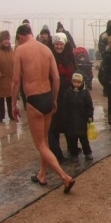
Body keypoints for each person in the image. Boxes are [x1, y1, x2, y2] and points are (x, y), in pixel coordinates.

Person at [12, 25, 76, 192]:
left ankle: (65, 177)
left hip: (34, 100)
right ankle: (42, 174)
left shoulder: (20, 50)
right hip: (47, 97)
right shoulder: (46, 50)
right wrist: (54, 99)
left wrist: (13, 104)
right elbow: (56, 78)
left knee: (40, 144)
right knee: (45, 141)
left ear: (20, 37)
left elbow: (16, 81)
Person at [47, 32, 77, 162]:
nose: (59, 46)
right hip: (54, 93)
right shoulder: (49, 56)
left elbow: (75, 72)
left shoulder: (70, 56)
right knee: (54, 126)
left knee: (70, 123)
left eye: (61, 44)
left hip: (68, 93)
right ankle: (56, 152)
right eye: (57, 44)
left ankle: (73, 148)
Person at [60, 73, 94, 161]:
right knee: (72, 139)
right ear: (71, 81)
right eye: (74, 82)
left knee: (84, 138)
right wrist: (64, 118)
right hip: (70, 120)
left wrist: (90, 115)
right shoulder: (68, 92)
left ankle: (87, 152)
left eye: (78, 82)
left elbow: (89, 106)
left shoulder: (85, 93)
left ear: (82, 83)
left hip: (82, 120)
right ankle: (74, 153)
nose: (76, 84)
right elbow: (64, 106)